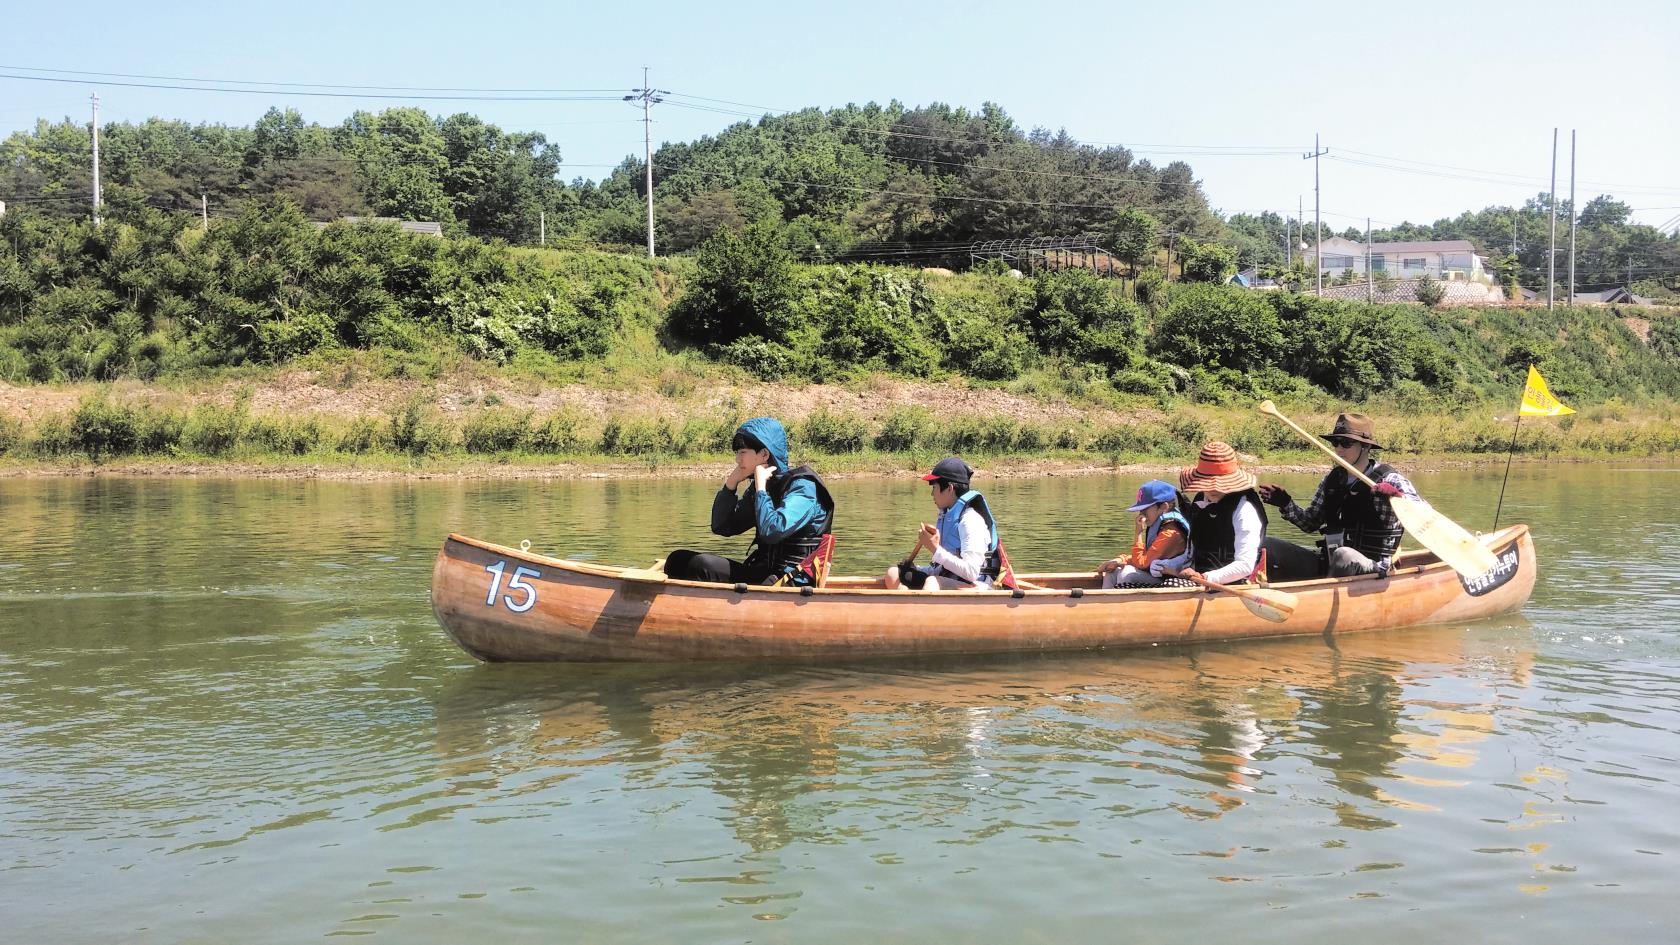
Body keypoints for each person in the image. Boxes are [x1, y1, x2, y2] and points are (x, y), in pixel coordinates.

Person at [664, 417, 834, 586]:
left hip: (791, 581)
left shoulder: (804, 488)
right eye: (737, 453)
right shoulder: (763, 486)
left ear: (764, 454)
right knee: (678, 560)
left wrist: (761, 489)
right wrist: (731, 485)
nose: (738, 460)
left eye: (742, 452)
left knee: (701, 565)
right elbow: (723, 527)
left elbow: (772, 531)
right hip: (764, 573)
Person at [1258, 412, 1420, 580]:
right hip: (1329, 563)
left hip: (1374, 568)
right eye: (1335, 443)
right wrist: (1285, 503)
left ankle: (1324, 596)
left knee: (1344, 555)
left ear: (1365, 447)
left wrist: (1398, 498)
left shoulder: (1391, 480)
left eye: (1346, 443)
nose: (1339, 449)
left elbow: (1422, 516)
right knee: (1265, 544)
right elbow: (1310, 523)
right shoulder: (1333, 479)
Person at [884, 456, 1003, 591]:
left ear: (950, 488)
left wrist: (935, 549)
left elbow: (971, 572)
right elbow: (945, 568)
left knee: (932, 582)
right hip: (952, 579)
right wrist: (915, 569)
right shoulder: (948, 516)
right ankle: (906, 607)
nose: (932, 494)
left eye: (934, 487)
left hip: (977, 585)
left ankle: (917, 609)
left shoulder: (970, 521)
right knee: (893, 574)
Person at [1172, 440, 1268, 586]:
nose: (1213, 489)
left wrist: (1205, 578)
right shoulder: (1200, 502)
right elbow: (1190, 554)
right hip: (1201, 578)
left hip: (1237, 582)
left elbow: (1245, 565)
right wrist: (1161, 565)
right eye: (1206, 483)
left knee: (1171, 585)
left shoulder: (1245, 510)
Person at [1096, 478, 1191, 588]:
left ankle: (1122, 603)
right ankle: (1108, 603)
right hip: (1154, 575)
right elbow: (1147, 556)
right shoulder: (1160, 524)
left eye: (1145, 509)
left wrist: (1138, 532)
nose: (1141, 514)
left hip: (1170, 580)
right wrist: (1120, 560)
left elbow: (1141, 563)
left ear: (1164, 507)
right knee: (1112, 572)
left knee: (1127, 574)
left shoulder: (1171, 533)